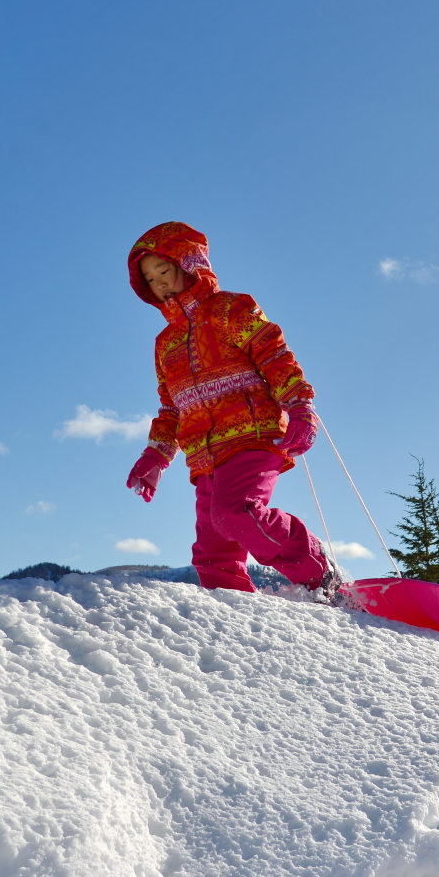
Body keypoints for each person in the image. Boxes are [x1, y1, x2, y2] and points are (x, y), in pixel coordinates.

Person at [122, 222, 346, 601]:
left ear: (189, 263)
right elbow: (170, 407)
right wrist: (155, 456)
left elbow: (274, 357)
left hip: (252, 436)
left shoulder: (230, 309)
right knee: (211, 553)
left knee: (235, 513)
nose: (159, 283)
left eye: (164, 270)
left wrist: (300, 406)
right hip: (204, 457)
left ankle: (317, 572)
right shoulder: (165, 344)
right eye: (150, 279)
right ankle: (237, 619)